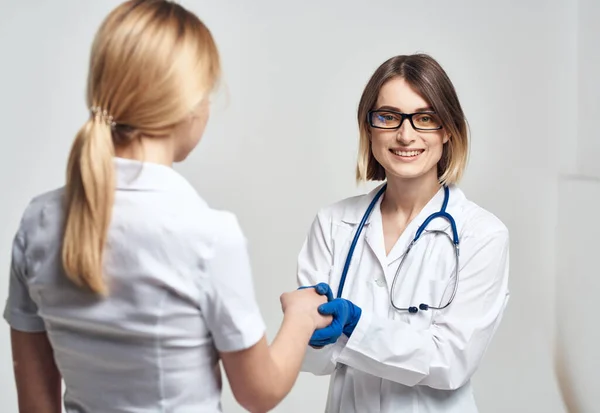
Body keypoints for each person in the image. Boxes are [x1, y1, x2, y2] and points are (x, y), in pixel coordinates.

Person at [2, 1, 331, 412]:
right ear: (189, 106)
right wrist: (300, 317)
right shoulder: (207, 235)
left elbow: (35, 405)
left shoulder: (38, 220)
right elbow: (258, 392)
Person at [297, 54, 510, 413]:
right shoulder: (333, 224)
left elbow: (450, 362)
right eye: (389, 117)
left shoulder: (483, 235)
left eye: (425, 118)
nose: (405, 134)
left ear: (447, 131)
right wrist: (307, 331)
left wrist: (356, 325)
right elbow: (313, 361)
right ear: (369, 127)